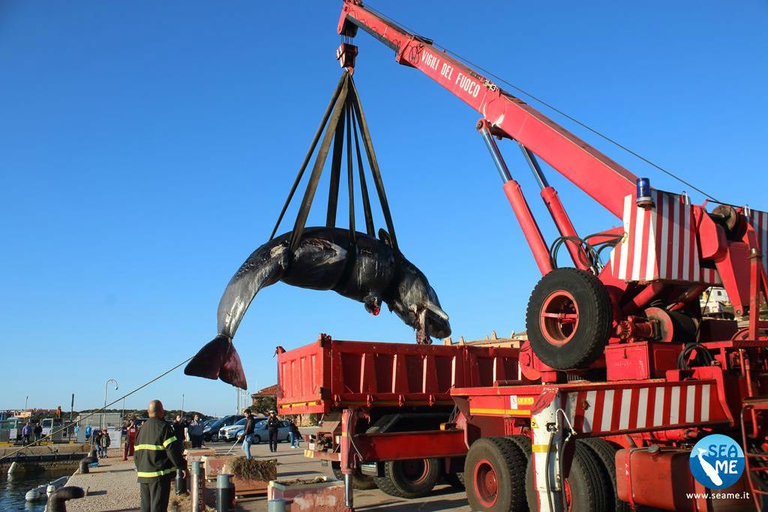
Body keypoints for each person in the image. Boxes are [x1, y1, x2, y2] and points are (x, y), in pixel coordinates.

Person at [134, 399, 187, 512]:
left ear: (148, 412)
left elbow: (136, 454)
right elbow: (172, 451)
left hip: (143, 475)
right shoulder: (164, 427)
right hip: (159, 476)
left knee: (145, 507)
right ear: (161, 411)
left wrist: (141, 469)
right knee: (158, 507)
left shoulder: (141, 429)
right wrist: (181, 466)